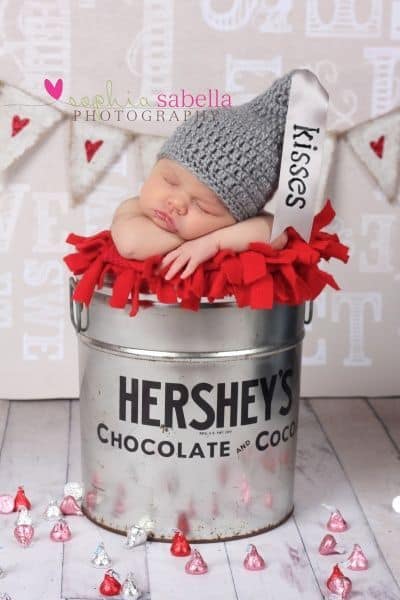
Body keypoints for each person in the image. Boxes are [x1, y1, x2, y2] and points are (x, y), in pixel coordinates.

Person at [111, 70, 294, 280]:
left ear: (235, 220)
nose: (176, 203)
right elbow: (132, 245)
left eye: (202, 207)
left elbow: (276, 233)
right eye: (169, 181)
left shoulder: (223, 231)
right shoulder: (132, 209)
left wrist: (212, 242)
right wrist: (214, 236)